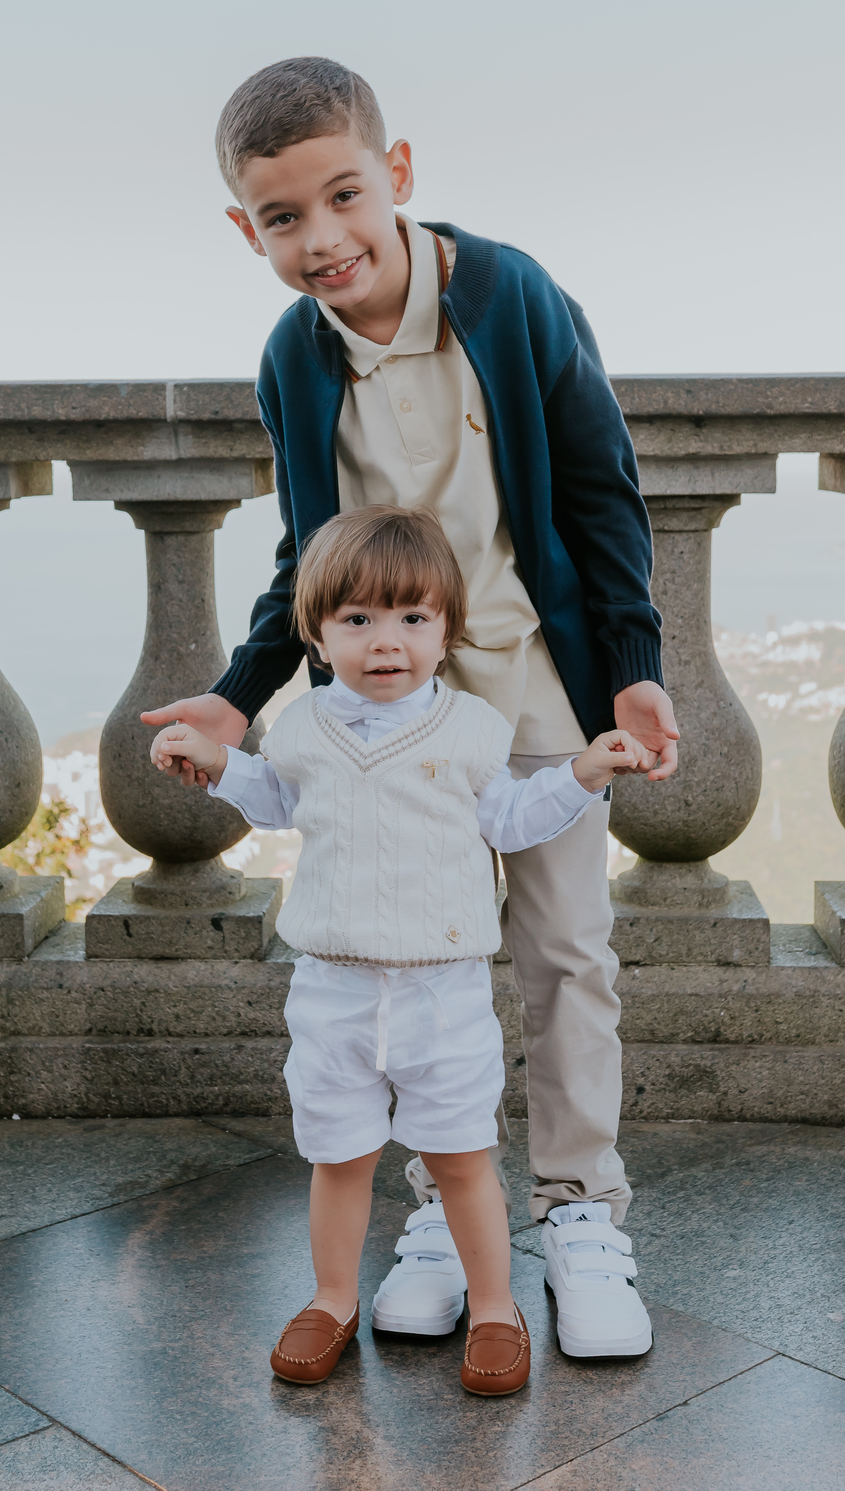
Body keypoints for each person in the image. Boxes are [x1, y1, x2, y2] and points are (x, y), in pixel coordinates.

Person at [142, 56, 679, 1361]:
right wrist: (237, 696)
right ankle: (448, 1205)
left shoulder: (511, 295)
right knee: (408, 957)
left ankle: (580, 1209)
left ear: (396, 172)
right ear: (247, 230)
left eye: (343, 196)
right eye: (282, 217)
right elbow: (309, 558)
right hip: (389, 703)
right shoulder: (293, 354)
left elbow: (601, 493)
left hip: (534, 676)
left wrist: (632, 661)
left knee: (564, 952)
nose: (321, 238)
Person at [150, 507, 657, 1392]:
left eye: (412, 618)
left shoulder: (470, 730)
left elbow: (511, 818)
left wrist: (582, 772)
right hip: (333, 989)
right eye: (358, 619)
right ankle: (331, 1298)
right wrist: (218, 763)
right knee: (339, 1156)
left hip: (442, 991)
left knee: (461, 1157)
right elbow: (278, 799)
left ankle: (494, 1310)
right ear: (317, 635)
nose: (387, 641)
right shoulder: (302, 728)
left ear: (446, 631)